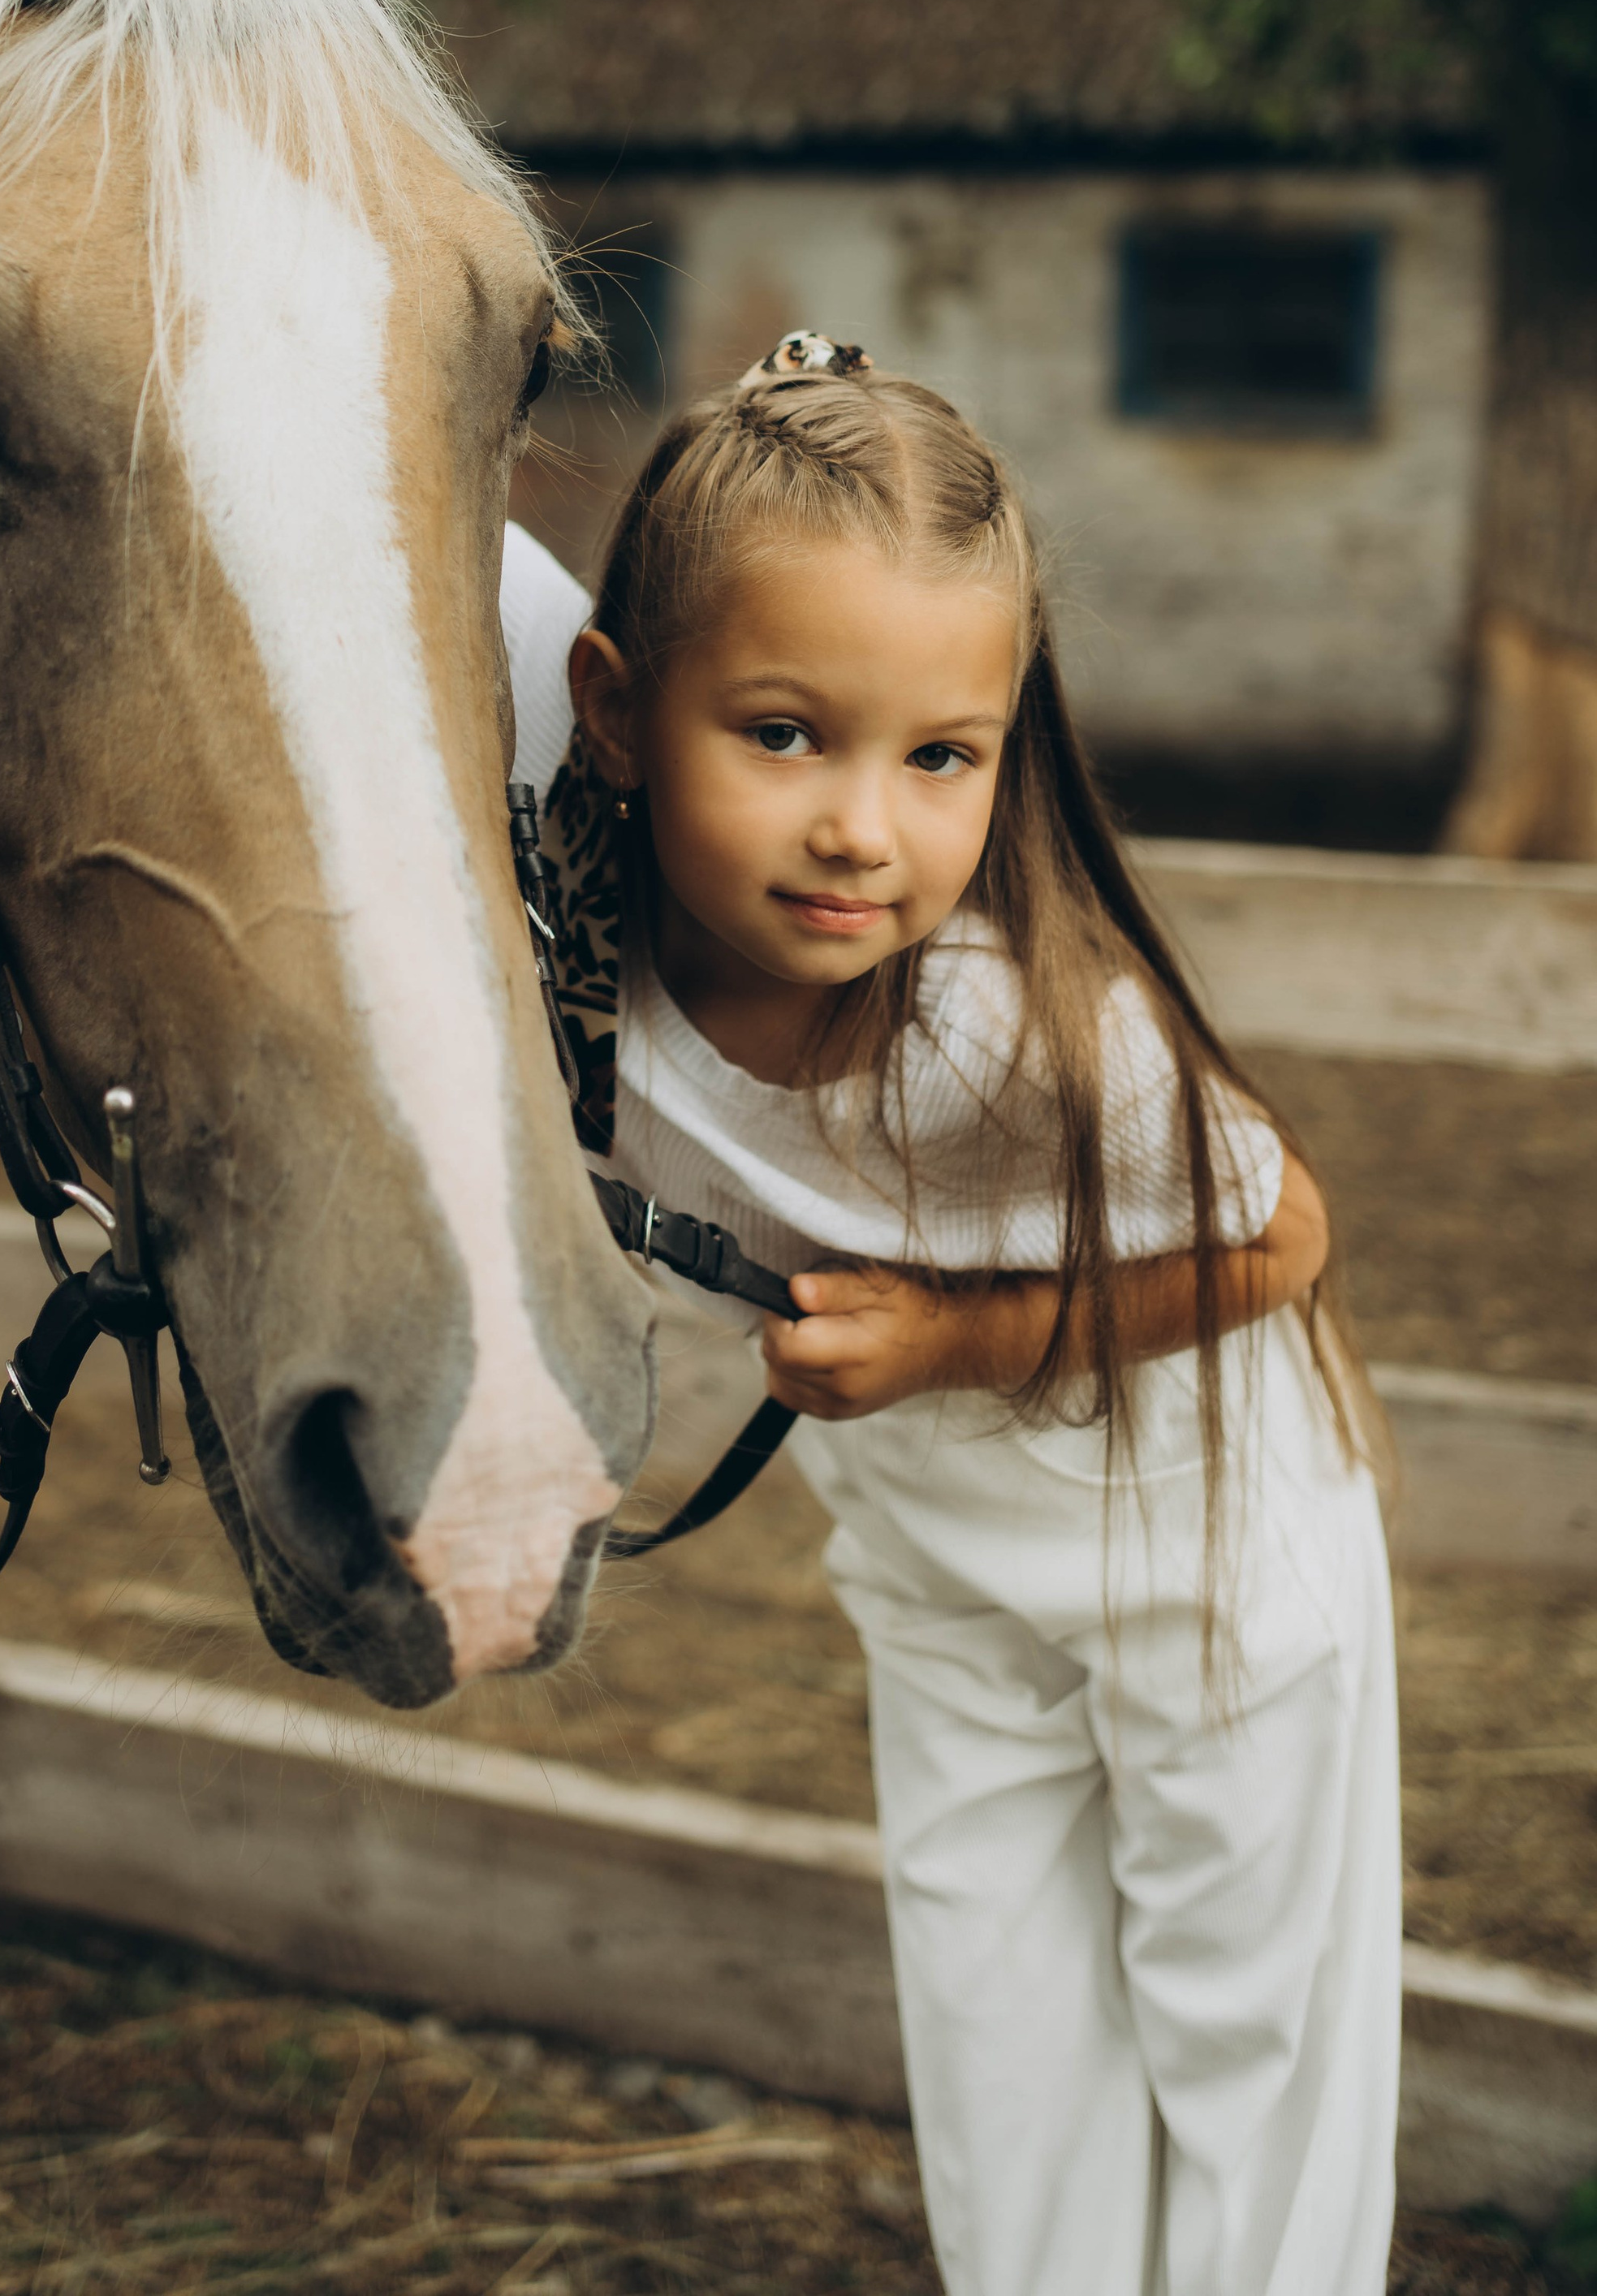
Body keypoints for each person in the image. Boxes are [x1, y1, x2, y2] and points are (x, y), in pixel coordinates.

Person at [500, 334, 1400, 2296]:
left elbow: (1288, 1234)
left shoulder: (1008, 1034)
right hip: (944, 1585)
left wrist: (947, 1340)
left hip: (1208, 1561)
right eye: (785, 735)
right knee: (1001, 2040)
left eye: (937, 758)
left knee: (1244, 2043)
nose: (860, 831)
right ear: (614, 708)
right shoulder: (559, 880)